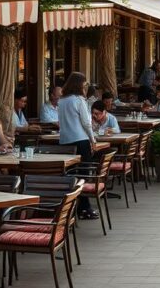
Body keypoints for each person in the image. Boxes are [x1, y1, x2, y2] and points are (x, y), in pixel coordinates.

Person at [58, 72, 99, 219]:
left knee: (71, 175)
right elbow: (86, 123)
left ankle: (72, 207)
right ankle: (84, 207)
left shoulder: (61, 101)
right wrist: (93, 140)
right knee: (83, 174)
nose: (86, 87)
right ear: (79, 85)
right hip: (80, 140)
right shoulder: (79, 100)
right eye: (85, 84)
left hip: (64, 141)